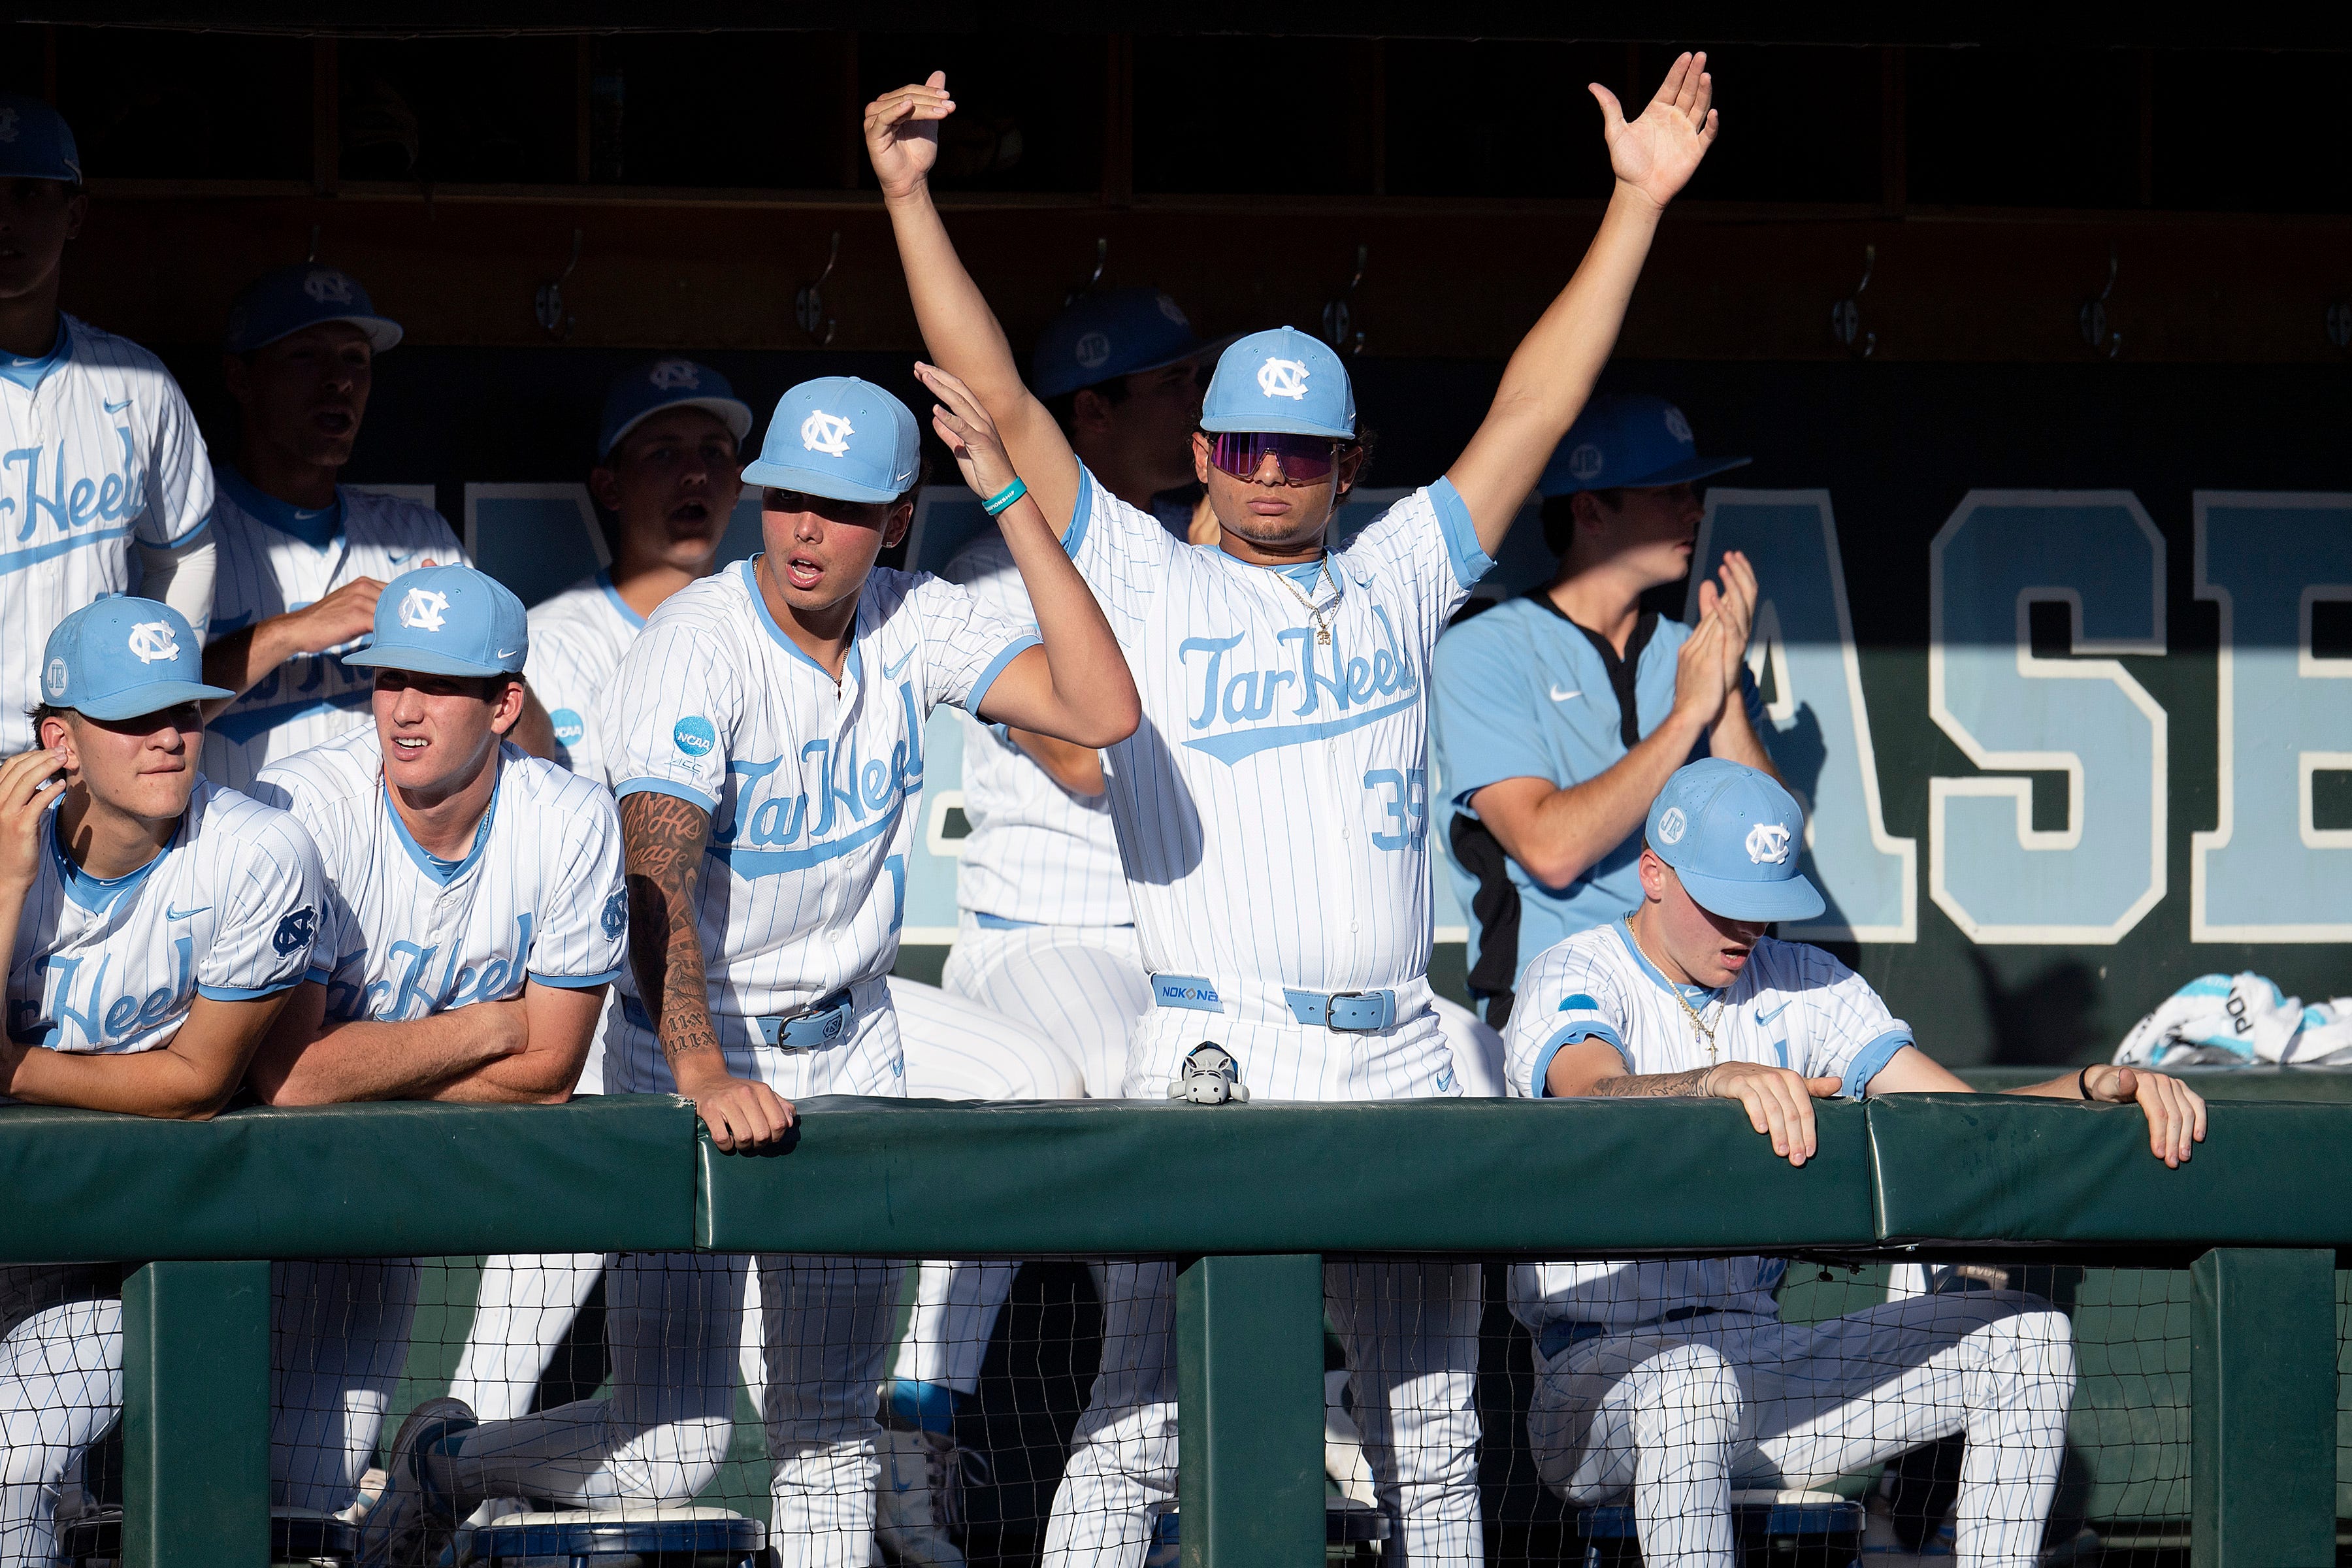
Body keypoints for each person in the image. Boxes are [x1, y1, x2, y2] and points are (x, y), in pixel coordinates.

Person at [866, 50, 1723, 1567]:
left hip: (1397, 1039)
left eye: (1300, 448)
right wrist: (909, 198)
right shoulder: (1141, 569)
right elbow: (999, 390)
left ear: (1344, 464)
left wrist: (1635, 205)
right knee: (1135, 1429)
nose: (1267, 470)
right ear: (1201, 451)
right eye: (1242, 443)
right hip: (1215, 1037)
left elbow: (1539, 399)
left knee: (1434, 1449)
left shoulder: (1399, 571)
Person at [354, 367, 1136, 1568]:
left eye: (841, 507)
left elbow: (1100, 707)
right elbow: (651, 872)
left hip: (848, 1039)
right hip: (680, 1041)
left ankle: (444, 1462)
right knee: (672, 1436)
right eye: (786, 500)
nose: (805, 532)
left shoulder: (915, 617)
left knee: (825, 1429)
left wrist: (1013, 497)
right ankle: (447, 1461)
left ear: (899, 517)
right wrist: (702, 1069)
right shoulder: (699, 643)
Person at [1503, 758, 2209, 1568]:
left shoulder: (1805, 981)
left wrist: (2088, 1088)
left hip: (1758, 1360)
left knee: (2029, 1339)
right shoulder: (1576, 969)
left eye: (1763, 910)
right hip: (1594, 1384)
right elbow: (1589, 1086)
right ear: (1653, 876)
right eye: (1724, 905)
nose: (1747, 932)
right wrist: (1711, 1081)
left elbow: (1954, 1121)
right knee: (1690, 1386)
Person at [244, 563, 625, 1516]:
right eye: (388, 678)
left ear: (504, 705)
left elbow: (547, 1077)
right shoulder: (304, 809)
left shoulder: (569, 820)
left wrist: (362, 1065)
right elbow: (287, 1080)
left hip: (390, 1189)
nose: (404, 710)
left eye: (440, 685)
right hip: (256, 1187)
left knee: (313, 1486)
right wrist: (490, 1026)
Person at [0, 596, 324, 1561]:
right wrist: (9, 884)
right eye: (133, 719)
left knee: (13, 1454)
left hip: (126, 1243)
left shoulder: (259, 851)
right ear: (59, 738)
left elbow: (195, 1083)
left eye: (182, 713)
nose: (168, 740)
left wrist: (9, 1068)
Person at [1431, 393, 1771, 1030]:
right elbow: (1550, 849)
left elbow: (1768, 845)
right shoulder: (1483, 650)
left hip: (1714, 1003)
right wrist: (1686, 719)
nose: (1694, 509)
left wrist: (1721, 701)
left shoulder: (1696, 651)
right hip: (1558, 1006)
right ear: (1589, 509)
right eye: (1667, 492)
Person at [0, 93, 218, 760]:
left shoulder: (136, 384)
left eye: (29, 193)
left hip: (95, 753)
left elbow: (183, 552)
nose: (3, 217)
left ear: (74, 214)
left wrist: (149, 695)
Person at [200, 264, 466, 791]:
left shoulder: (418, 537)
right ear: (240, 378)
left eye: (355, 359)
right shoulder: (182, 536)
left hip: (385, 869)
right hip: (230, 863)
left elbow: (524, 737)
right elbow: (130, 723)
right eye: (305, 354)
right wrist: (289, 632)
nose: (339, 379)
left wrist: (475, 651)